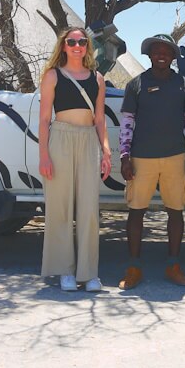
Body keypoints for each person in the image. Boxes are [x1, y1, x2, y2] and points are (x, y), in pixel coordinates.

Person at [118, 33, 185, 290]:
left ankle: (173, 266)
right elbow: (127, 122)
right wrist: (124, 156)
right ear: (149, 55)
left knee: (175, 212)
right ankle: (134, 268)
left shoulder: (184, 85)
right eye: (156, 51)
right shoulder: (136, 85)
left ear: (174, 56)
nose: (161, 55)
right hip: (142, 158)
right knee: (136, 212)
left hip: (174, 157)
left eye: (166, 51)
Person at [39, 27, 111, 292]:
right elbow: (45, 119)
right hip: (60, 138)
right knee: (60, 208)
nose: (77, 46)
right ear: (64, 46)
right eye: (72, 42)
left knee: (89, 210)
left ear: (87, 46)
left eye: (82, 42)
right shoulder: (52, 76)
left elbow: (100, 119)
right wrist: (44, 155)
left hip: (87, 140)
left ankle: (89, 273)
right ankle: (64, 271)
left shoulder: (98, 78)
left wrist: (106, 150)